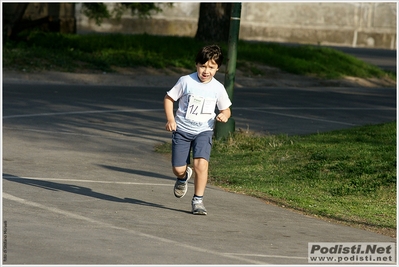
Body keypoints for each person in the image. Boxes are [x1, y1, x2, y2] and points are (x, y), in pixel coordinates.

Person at [163, 44, 232, 215]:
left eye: (211, 67)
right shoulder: (186, 81)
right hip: (182, 130)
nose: (206, 71)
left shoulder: (218, 88)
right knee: (178, 168)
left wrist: (225, 115)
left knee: (200, 164)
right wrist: (171, 119)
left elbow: (226, 109)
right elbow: (169, 98)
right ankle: (182, 176)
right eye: (203, 66)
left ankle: (198, 200)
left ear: (217, 68)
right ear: (196, 64)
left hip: (204, 131)